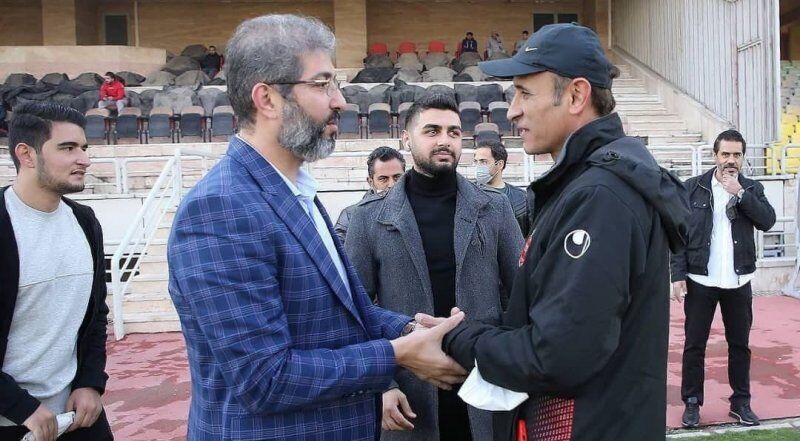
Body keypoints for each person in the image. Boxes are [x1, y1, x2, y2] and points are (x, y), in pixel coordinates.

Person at [167, 14, 467, 440]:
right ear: (267, 99)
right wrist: (397, 353)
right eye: (323, 84)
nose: (340, 100)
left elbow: (340, 314)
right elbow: (264, 378)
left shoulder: (296, 192)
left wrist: (408, 329)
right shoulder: (221, 209)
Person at [434, 23, 690, 441]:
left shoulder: (600, 197)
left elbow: (556, 356)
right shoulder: (583, 186)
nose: (512, 111)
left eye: (524, 93)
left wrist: (458, 340)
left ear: (575, 96)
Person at [345, 93, 523, 441]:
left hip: (484, 384)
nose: (445, 140)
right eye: (432, 131)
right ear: (406, 139)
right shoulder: (368, 219)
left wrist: (504, 355)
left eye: (453, 132)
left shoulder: (496, 208)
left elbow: (522, 295)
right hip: (411, 395)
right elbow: (354, 311)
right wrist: (382, 384)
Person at [0, 102, 113, 441]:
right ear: (26, 154)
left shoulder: (85, 222)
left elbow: (96, 315)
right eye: (67, 148)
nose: (84, 159)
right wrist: (21, 407)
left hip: (78, 417)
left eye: (84, 148)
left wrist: (90, 382)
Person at [671, 129, 776, 429]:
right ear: (715, 155)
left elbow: (767, 221)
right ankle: (692, 403)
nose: (731, 160)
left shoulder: (751, 188)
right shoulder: (692, 188)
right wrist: (678, 274)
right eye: (725, 154)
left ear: (743, 157)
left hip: (738, 280)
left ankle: (741, 403)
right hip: (700, 279)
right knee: (694, 345)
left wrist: (740, 193)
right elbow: (678, 234)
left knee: (739, 345)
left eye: (736, 155)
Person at [334, 146, 405, 242]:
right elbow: (339, 248)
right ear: (371, 182)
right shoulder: (350, 216)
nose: (392, 185)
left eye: (397, 177)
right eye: (383, 179)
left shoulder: (417, 208)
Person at [474, 140, 530, 237]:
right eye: (476, 161)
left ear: (500, 164)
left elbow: (528, 236)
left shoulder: (521, 198)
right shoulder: (467, 193)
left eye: (483, 162)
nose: (478, 166)